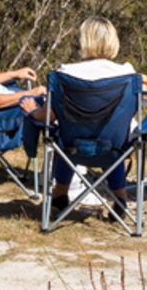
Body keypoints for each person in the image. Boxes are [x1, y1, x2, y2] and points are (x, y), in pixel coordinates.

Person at [50, 16, 137, 218]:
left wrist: (30, 109)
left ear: (84, 40)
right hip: (114, 150)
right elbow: (128, 113)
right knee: (114, 133)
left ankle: (60, 194)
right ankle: (120, 200)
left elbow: (49, 114)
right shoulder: (127, 73)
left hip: (71, 149)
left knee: (62, 132)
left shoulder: (66, 73)